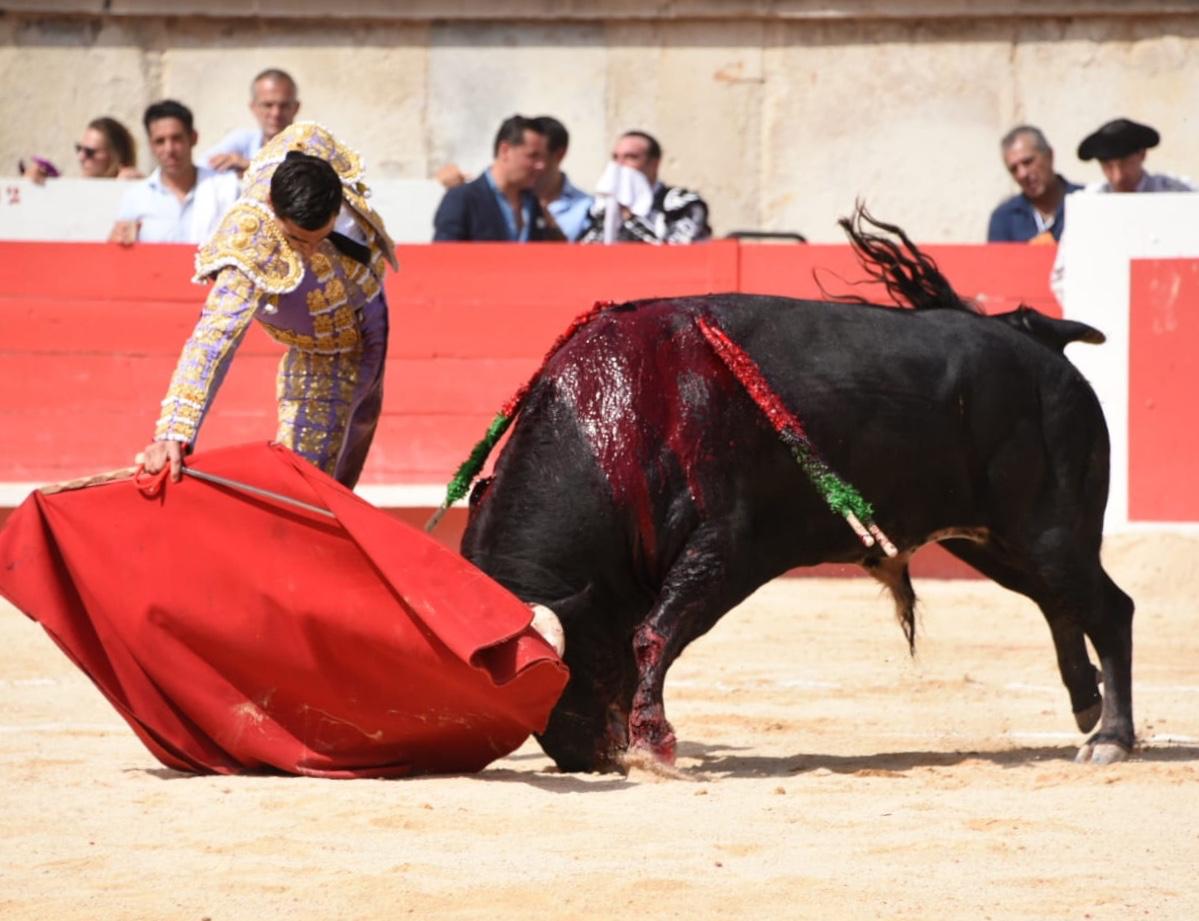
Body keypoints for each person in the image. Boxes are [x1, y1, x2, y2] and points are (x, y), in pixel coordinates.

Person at [137, 122, 399, 489]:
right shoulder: (250, 241)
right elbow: (212, 338)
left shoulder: (310, 145)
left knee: (350, 463)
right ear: (274, 208)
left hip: (374, 311)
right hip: (324, 351)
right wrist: (173, 432)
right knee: (311, 488)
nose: (308, 250)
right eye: (296, 239)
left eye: (319, 238)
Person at [109, 100, 240, 245]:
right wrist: (118, 240)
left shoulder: (225, 188)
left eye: (176, 139)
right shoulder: (136, 198)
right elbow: (116, 253)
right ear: (151, 145)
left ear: (193, 138)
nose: (169, 149)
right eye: (160, 141)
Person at [432, 114, 562, 242]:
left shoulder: (533, 203)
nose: (540, 165)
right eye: (532, 156)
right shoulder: (463, 199)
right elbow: (443, 257)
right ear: (505, 150)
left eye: (542, 158)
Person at [580, 130, 711, 244]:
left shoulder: (681, 204)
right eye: (615, 157)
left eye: (630, 157)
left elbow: (678, 255)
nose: (619, 165)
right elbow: (583, 255)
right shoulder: (601, 207)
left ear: (654, 163)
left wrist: (629, 217)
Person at [987, 125, 1082, 243]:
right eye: (1014, 169)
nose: (1022, 174)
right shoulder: (1004, 218)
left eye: (1027, 162)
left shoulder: (1086, 202)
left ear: (1049, 156)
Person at [205, 68, 301, 175]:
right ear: (253, 107)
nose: (276, 113)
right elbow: (201, 167)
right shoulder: (242, 140)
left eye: (284, 106)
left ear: (296, 108)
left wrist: (251, 166)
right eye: (268, 105)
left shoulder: (312, 144)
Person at [1078, 117, 1195, 193]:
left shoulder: (1177, 191)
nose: (1118, 176)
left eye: (1124, 163)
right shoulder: (1092, 198)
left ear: (1142, 154)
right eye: (1108, 166)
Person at [19, 116, 143, 185]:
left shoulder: (136, 186)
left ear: (115, 157)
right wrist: (31, 188)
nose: (80, 157)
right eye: (79, 149)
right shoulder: (75, 190)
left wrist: (130, 189)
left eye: (90, 152)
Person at [532, 115, 593, 242]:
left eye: (536, 155)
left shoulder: (587, 209)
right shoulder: (510, 202)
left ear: (559, 154)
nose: (528, 164)